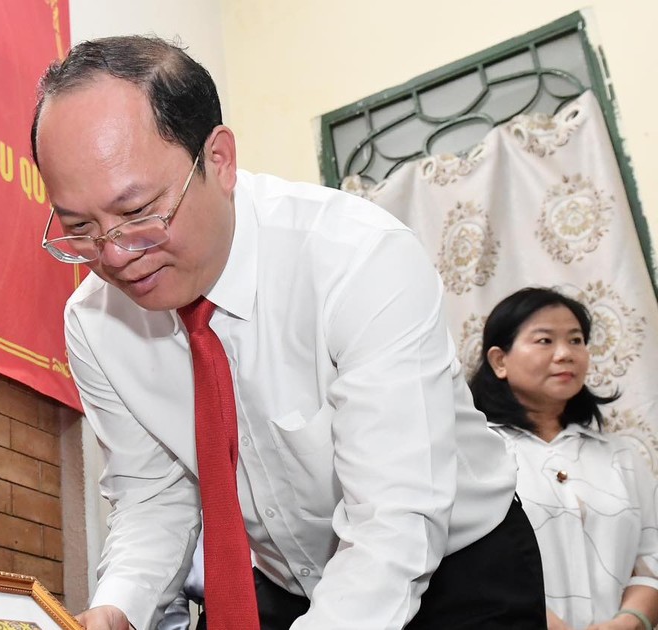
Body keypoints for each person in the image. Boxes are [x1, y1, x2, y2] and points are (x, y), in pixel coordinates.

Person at [31, 35, 545, 630]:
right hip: (286, 584)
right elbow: (153, 496)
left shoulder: (357, 260)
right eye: (80, 228)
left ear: (218, 160)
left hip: (461, 578)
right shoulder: (96, 323)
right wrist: (120, 604)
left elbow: (394, 523)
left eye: (139, 213)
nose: (115, 256)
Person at [470, 288, 658, 630]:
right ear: (500, 361)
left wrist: (628, 622)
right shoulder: (476, 452)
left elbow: (652, 559)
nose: (565, 354)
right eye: (544, 341)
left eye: (576, 340)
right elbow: (465, 566)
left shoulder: (620, 456)